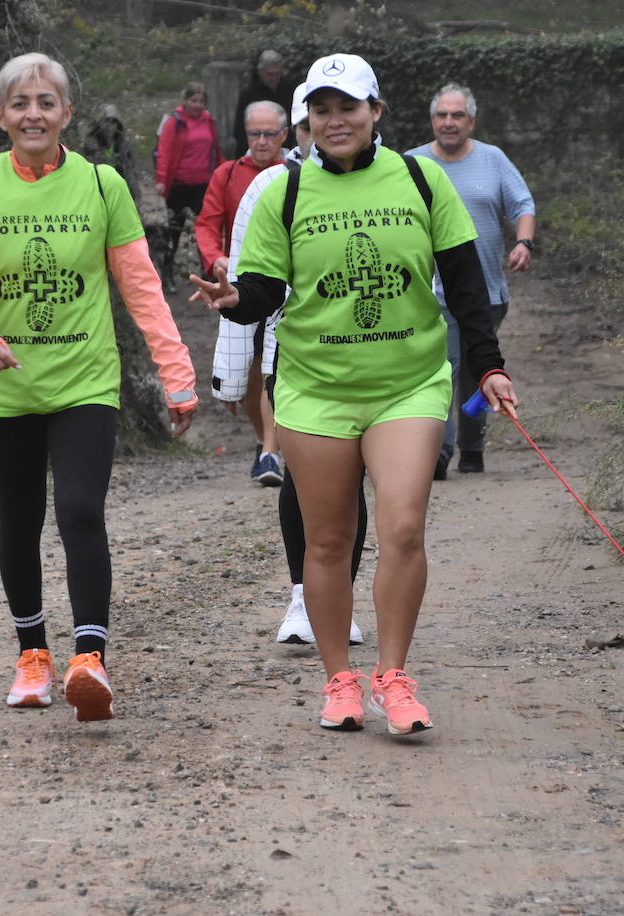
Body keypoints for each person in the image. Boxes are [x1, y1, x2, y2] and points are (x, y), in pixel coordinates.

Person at [190, 54, 518, 736]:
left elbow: (465, 287)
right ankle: (339, 679)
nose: (335, 121)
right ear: (306, 120)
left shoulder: (421, 180)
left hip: (407, 384)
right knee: (329, 539)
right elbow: (264, 293)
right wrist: (232, 300)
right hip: (314, 390)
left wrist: (487, 367)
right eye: (322, 110)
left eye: (348, 107)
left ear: (376, 112)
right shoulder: (288, 192)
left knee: (401, 526)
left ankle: (393, 677)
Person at [0, 52, 200, 723]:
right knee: (19, 522)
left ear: (66, 115)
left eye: (46, 102)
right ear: (1, 116)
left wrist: (177, 374)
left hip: (85, 380)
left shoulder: (101, 187)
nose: (33, 114)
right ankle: (32, 656)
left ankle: (88, 658)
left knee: (81, 511)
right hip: (5, 387)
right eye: (20, 103)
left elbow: (141, 289)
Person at [216, 83, 366, 647]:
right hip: (293, 357)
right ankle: (304, 595)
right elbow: (245, 280)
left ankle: (340, 598)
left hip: (371, 356)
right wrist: (231, 371)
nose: (320, 133)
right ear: (297, 132)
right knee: (303, 478)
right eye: (310, 122)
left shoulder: (391, 181)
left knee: (350, 485)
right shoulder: (270, 187)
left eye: (337, 114)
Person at [405, 83, 535, 478]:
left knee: (475, 369)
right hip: (432, 293)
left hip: (487, 290)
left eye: (457, 115)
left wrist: (524, 242)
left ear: (471, 122)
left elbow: (522, 204)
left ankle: (472, 447)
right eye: (442, 115)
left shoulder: (492, 159)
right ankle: (440, 453)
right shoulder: (410, 163)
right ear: (432, 120)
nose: (449, 122)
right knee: (442, 368)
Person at [197, 100, 289, 486]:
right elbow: (207, 224)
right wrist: (217, 259)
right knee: (252, 369)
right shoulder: (228, 173)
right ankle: (263, 441)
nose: (263, 140)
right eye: (255, 133)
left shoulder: (297, 174)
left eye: (270, 133)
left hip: (285, 284)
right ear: (245, 135)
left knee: (277, 364)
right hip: (240, 285)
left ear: (285, 135)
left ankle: (274, 448)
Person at [154, 82, 222, 293]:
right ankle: (167, 275)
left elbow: (215, 149)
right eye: (193, 101)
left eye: (201, 101)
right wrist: (161, 179)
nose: (197, 105)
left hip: (203, 184)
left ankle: (208, 273)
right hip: (178, 185)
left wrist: (222, 172)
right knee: (174, 231)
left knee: (206, 229)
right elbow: (164, 151)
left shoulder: (208, 121)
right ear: (185, 100)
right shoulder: (175, 122)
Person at [231, 49, 297, 157]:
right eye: (270, 74)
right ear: (260, 72)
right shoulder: (249, 94)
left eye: (277, 74)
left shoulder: (288, 90)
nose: (274, 78)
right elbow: (239, 129)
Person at [81, 103, 139, 201]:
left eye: (113, 122)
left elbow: (131, 169)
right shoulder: (91, 143)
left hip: (122, 189)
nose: (110, 126)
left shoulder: (124, 143)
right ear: (100, 123)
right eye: (106, 122)